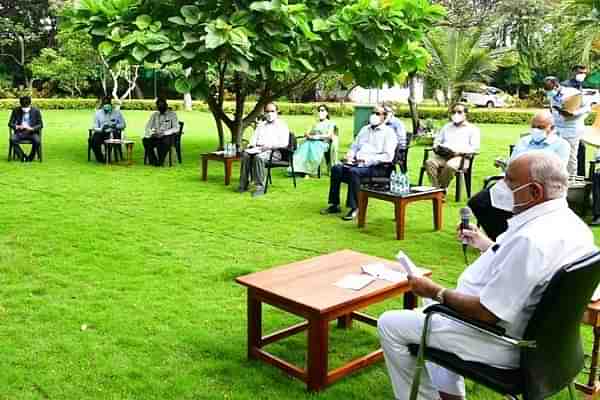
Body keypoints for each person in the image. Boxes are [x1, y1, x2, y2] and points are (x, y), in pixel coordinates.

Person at [378, 151, 596, 400]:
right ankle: (450, 394)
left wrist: (434, 290)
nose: (501, 187)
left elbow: (487, 313)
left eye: (509, 181)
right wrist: (486, 245)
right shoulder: (573, 225)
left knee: (391, 323)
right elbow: (525, 267)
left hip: (500, 341)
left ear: (535, 192)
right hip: (546, 343)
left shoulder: (532, 239)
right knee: (431, 311)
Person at [468, 111, 570, 240]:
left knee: (514, 207)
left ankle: (511, 238)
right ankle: (500, 238)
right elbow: (512, 163)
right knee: (478, 202)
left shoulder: (561, 145)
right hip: (512, 182)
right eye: (533, 126)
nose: (536, 130)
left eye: (540, 127)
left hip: (537, 188)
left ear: (552, 128)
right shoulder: (524, 141)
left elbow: (555, 173)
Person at [320, 105, 397, 220]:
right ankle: (334, 204)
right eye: (373, 113)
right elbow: (354, 147)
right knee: (336, 168)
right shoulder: (364, 129)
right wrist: (350, 156)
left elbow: (388, 156)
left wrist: (367, 160)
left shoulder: (388, 133)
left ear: (384, 117)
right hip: (357, 163)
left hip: (377, 167)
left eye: (377, 113)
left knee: (354, 172)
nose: (373, 116)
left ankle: (354, 207)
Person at [238, 102, 289, 197]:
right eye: (267, 111)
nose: (269, 114)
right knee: (245, 155)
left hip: (274, 152)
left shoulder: (282, 125)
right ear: (264, 113)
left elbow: (284, 143)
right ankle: (243, 184)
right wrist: (251, 146)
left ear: (277, 112)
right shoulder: (261, 125)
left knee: (259, 158)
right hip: (258, 149)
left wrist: (268, 147)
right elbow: (253, 139)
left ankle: (259, 187)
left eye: (272, 111)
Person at [425, 104, 480, 191]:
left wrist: (458, 152)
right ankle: (436, 190)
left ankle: (441, 190)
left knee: (450, 166)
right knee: (429, 163)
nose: (456, 114)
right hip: (443, 155)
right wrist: (437, 148)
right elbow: (437, 141)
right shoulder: (446, 127)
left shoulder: (472, 129)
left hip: (461, 158)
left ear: (465, 114)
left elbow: (475, 148)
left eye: (459, 112)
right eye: (454, 112)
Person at [544, 75, 590, 176]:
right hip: (557, 128)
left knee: (570, 156)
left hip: (572, 128)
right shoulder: (551, 95)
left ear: (556, 86)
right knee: (553, 153)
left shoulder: (573, 93)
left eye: (550, 89)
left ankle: (571, 180)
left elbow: (587, 108)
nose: (548, 92)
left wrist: (573, 113)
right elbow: (553, 109)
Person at [291, 105, 337, 176]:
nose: (320, 112)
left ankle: (309, 171)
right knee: (304, 147)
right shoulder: (315, 123)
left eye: (322, 110)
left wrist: (316, 137)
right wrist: (308, 135)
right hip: (311, 141)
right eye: (319, 111)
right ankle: (301, 170)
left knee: (312, 147)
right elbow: (307, 132)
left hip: (323, 143)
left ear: (327, 112)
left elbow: (328, 135)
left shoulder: (330, 123)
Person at [562, 64, 590, 176]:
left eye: (584, 73)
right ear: (573, 72)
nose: (582, 75)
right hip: (568, 125)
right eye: (580, 72)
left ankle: (579, 175)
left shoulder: (581, 85)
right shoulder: (566, 86)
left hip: (578, 124)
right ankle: (571, 178)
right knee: (570, 154)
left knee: (580, 149)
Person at [143, 98, 179, 166]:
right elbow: (148, 127)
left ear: (166, 105)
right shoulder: (154, 115)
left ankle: (161, 161)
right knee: (146, 140)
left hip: (168, 136)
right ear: (157, 107)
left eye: (162, 105)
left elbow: (176, 128)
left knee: (163, 142)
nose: (161, 107)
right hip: (156, 135)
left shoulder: (172, 114)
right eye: (159, 106)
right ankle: (153, 161)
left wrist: (164, 133)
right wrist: (152, 133)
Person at [91, 96, 126, 163]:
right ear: (102, 105)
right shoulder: (98, 113)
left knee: (110, 139)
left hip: (113, 132)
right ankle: (100, 158)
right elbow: (94, 126)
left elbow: (123, 124)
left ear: (111, 104)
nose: (106, 107)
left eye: (108, 105)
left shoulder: (117, 113)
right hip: (101, 132)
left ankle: (108, 157)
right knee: (93, 140)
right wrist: (101, 128)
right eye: (105, 105)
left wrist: (115, 126)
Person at [8, 96, 43, 162]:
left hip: (32, 133)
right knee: (12, 139)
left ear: (30, 104)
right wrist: (17, 126)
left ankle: (30, 157)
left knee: (37, 141)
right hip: (19, 132)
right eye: (23, 107)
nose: (25, 109)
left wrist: (32, 128)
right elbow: (10, 123)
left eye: (26, 107)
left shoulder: (36, 111)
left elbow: (40, 124)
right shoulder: (16, 110)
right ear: (20, 104)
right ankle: (22, 156)